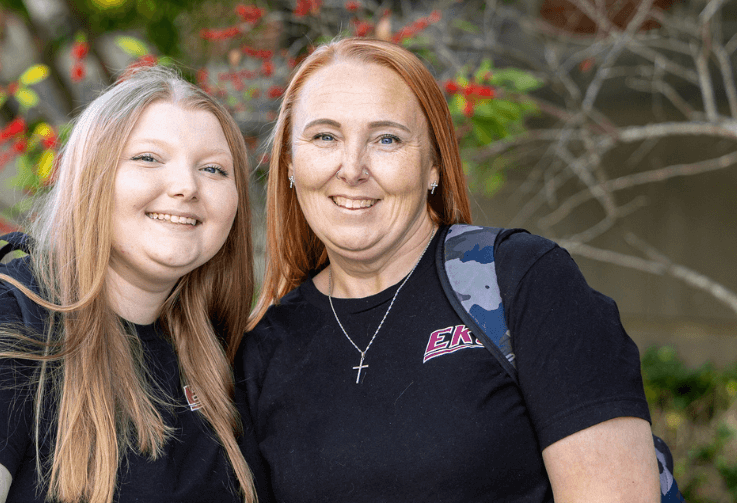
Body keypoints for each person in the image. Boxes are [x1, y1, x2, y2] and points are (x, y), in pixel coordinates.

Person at [236, 38, 659, 502]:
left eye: (387, 139)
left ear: (433, 165)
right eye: (325, 137)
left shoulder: (520, 282)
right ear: (290, 163)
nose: (352, 168)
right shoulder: (263, 352)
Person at [0, 67, 258, 503]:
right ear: (90, 177)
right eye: (148, 158)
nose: (187, 186)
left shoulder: (219, 357)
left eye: (213, 169)